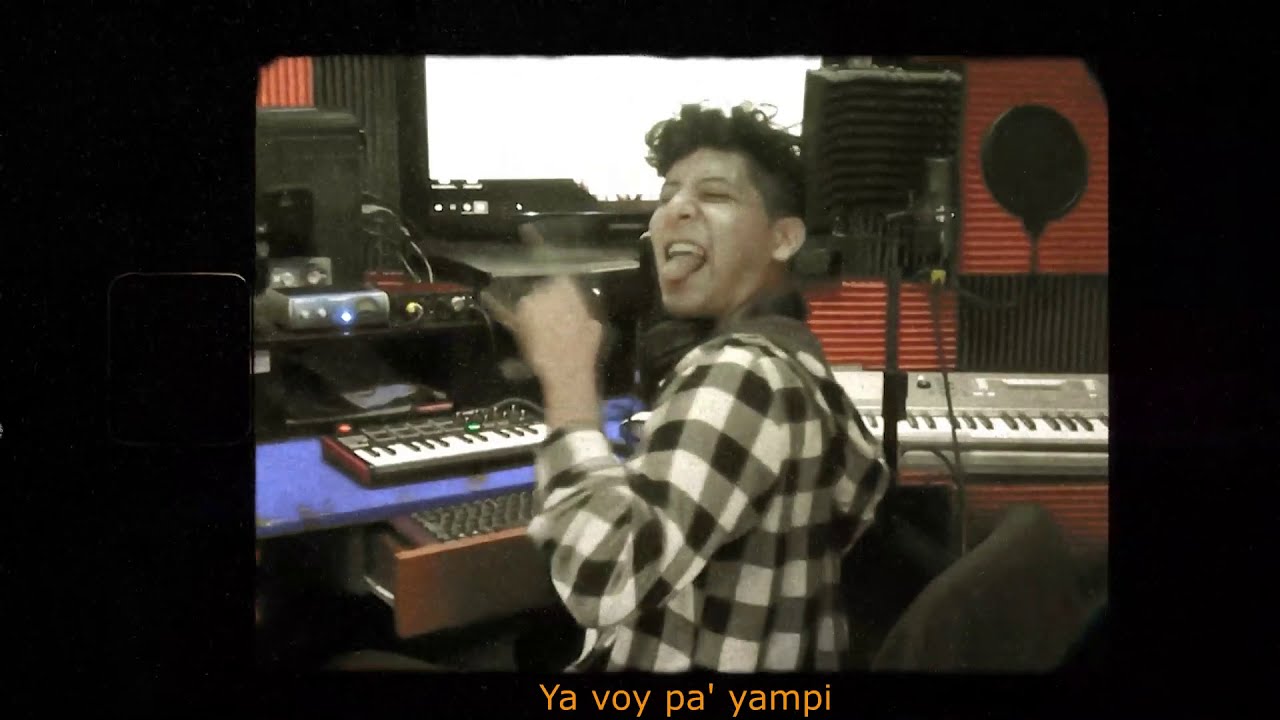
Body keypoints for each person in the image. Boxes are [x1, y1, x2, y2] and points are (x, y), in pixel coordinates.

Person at [483, 102, 890, 672]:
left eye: (715, 195)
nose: (675, 209)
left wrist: (568, 376)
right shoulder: (800, 365)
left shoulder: (742, 374)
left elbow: (603, 577)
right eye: (667, 194)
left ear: (782, 238)